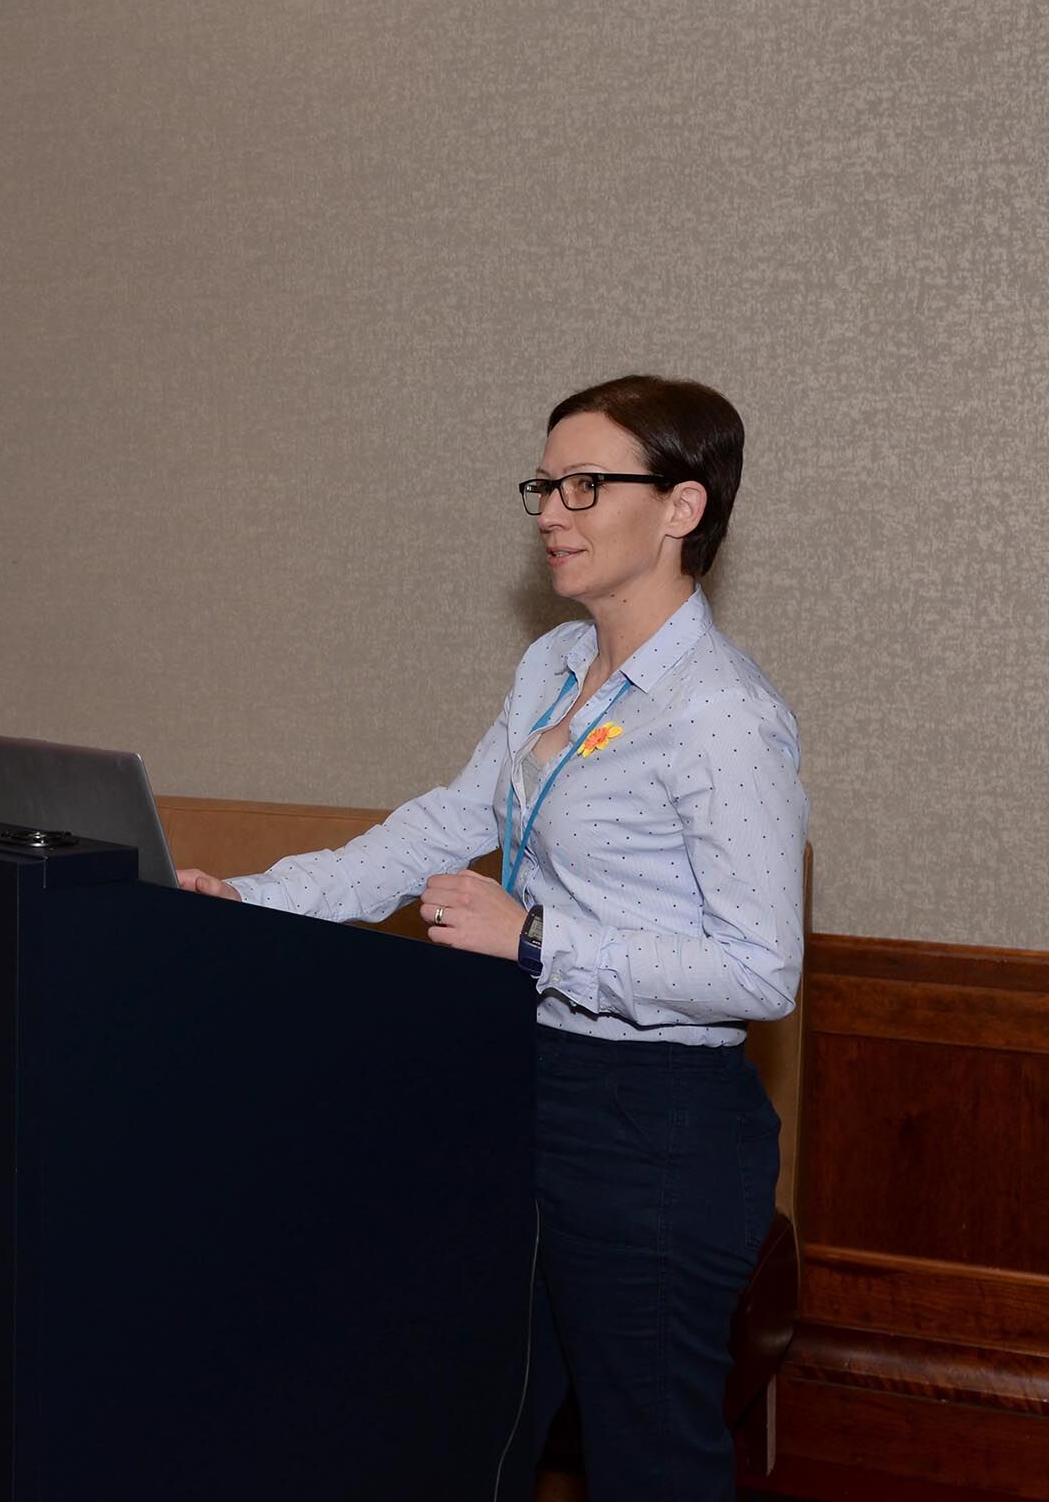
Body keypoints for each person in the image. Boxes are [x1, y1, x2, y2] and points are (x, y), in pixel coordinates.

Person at [176, 375, 806, 1501]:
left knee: (647, 1462)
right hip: (520, 1084)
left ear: (681, 508)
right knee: (472, 1424)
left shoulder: (723, 715)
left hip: (653, 1128)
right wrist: (253, 899)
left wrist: (537, 940)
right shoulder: (552, 666)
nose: (550, 512)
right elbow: (442, 827)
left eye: (584, 485)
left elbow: (760, 971)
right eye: (544, 484)